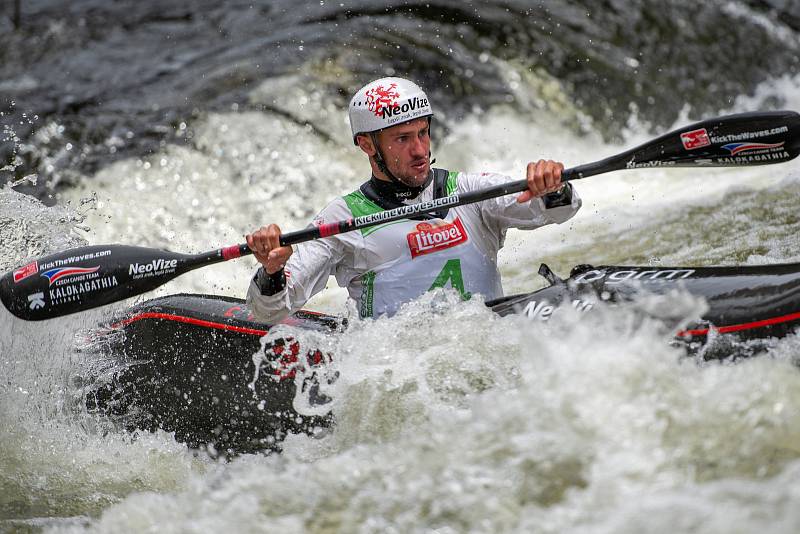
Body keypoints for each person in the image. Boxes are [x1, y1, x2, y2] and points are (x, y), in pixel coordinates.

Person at [246, 77, 581, 322]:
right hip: (403, 373)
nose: (420, 150)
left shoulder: (470, 191)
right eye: (403, 139)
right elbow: (268, 311)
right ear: (367, 145)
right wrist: (272, 269)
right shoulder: (342, 218)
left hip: (486, 349)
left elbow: (561, 210)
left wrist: (551, 186)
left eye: (423, 133)